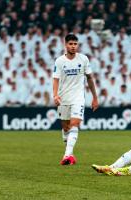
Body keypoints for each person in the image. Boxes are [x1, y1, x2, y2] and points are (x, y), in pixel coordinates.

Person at [52, 34, 99, 165]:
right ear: (65, 45)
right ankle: (70, 154)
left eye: (75, 44)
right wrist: (55, 95)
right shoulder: (59, 61)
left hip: (78, 97)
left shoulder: (83, 59)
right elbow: (55, 79)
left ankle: (67, 155)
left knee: (75, 123)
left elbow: (89, 78)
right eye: (70, 44)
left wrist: (95, 97)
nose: (73, 46)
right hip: (63, 98)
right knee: (66, 128)